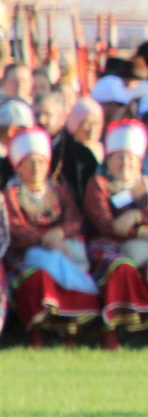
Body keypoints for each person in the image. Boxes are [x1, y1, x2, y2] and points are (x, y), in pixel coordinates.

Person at [83, 119, 148, 347]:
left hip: (146, 243)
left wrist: (137, 217)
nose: (125, 163)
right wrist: (141, 232)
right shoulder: (99, 184)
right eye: (119, 156)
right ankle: (111, 331)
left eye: (131, 157)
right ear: (109, 158)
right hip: (108, 244)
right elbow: (106, 223)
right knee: (120, 268)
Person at [3, 128, 100, 345]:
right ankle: (36, 334)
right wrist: (45, 239)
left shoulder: (58, 191)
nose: (36, 167)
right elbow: (14, 228)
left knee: (66, 266)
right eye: (30, 162)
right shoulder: (10, 196)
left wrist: (60, 233)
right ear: (19, 166)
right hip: (24, 255)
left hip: (62, 248)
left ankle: (71, 332)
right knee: (38, 275)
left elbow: (75, 220)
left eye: (40, 161)